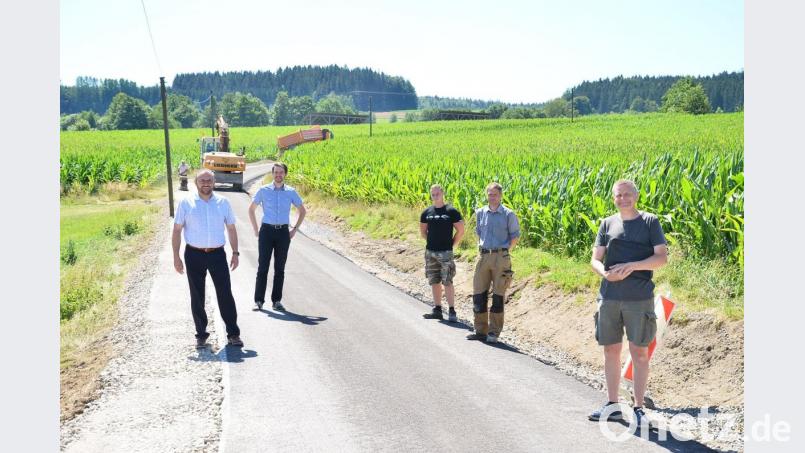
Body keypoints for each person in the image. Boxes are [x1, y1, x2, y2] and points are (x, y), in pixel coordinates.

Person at [587, 179, 668, 428]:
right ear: (613, 198)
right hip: (609, 296)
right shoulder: (607, 223)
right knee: (610, 350)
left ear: (636, 195)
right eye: (618, 195)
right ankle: (612, 404)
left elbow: (661, 258)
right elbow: (595, 259)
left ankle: (639, 408)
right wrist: (605, 274)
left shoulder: (650, 222)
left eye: (627, 194)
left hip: (639, 297)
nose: (623, 199)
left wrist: (632, 266)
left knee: (640, 353)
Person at [172, 170, 243, 348]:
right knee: (197, 296)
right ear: (196, 182)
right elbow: (177, 230)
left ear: (214, 182)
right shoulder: (186, 203)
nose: (206, 183)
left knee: (225, 294)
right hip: (193, 254)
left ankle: (233, 334)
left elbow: (232, 229)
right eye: (202, 180)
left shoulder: (223, 202)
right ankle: (201, 335)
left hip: (217, 254)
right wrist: (176, 257)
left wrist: (235, 252)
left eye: (209, 180)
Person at [249, 162, 307, 311]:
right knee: (263, 267)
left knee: (279, 268)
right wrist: (256, 230)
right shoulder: (264, 190)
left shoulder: (291, 192)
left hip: (283, 233)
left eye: (281, 172)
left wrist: (294, 229)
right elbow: (251, 210)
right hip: (266, 232)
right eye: (276, 172)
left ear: (285, 174)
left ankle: (276, 301)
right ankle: (259, 301)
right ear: (272, 173)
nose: (278, 175)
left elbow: (302, 210)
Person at [466, 182, 520, 343]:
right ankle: (480, 330)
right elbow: (479, 233)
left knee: (498, 295)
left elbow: (515, 237)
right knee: (479, 294)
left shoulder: (508, 214)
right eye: (489, 194)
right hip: (483, 256)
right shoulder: (481, 213)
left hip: (500, 257)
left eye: (495, 194)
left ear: (500, 195)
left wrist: (503, 253)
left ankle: (494, 332)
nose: (492, 197)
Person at [419, 184, 465, 322]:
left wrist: (451, 245)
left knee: (447, 281)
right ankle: (437, 309)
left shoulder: (451, 211)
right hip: (431, 252)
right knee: (434, 280)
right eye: (433, 194)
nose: (435, 196)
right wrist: (432, 243)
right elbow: (423, 232)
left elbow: (461, 231)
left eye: (437, 193)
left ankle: (452, 311)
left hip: (446, 253)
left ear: (442, 193)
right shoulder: (426, 212)